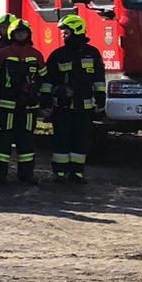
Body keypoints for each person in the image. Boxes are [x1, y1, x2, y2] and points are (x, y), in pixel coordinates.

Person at [42, 14, 106, 184]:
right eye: (63, 32)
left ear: (77, 30)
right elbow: (48, 81)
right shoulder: (58, 55)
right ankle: (60, 173)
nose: (63, 35)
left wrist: (101, 97)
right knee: (61, 140)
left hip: (84, 108)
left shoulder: (92, 53)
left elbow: (99, 78)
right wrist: (49, 97)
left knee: (81, 141)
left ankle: (77, 173)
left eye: (66, 32)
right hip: (63, 107)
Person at [0, 16, 45, 185]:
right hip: (6, 106)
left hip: (28, 107)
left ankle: (26, 175)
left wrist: (38, 94)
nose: (21, 35)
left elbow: (43, 78)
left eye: (24, 32)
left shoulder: (36, 55)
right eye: (18, 32)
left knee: (26, 140)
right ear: (12, 34)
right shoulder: (1, 54)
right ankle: (0, 174)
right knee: (3, 141)